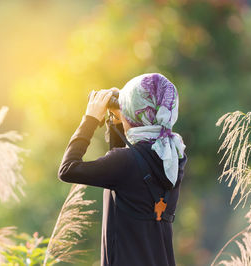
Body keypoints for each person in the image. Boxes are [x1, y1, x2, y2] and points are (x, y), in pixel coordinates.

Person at [58, 73, 187, 266]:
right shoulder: (174, 157)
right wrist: (118, 122)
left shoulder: (124, 162)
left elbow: (68, 169)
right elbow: (122, 173)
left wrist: (90, 119)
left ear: (135, 113)